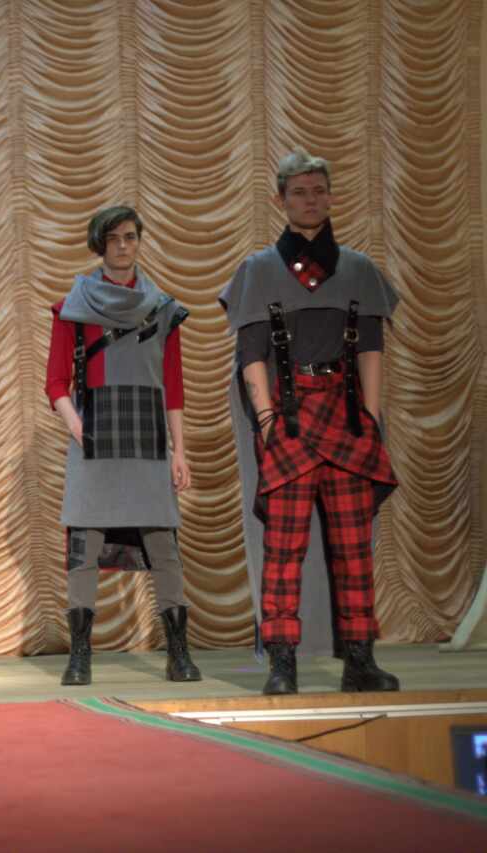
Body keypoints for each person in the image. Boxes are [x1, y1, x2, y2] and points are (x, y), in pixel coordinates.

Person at [220, 149, 400, 695]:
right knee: (283, 549)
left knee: (353, 548)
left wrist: (371, 417)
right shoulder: (258, 270)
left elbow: (370, 347)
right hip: (290, 421)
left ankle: (360, 660)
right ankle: (283, 663)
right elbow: (251, 352)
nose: (310, 200)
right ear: (281, 199)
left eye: (319, 190)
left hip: (346, 420)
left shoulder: (359, 269)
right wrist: (267, 421)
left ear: (330, 196)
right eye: (299, 192)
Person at [46, 205, 201, 686]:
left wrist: (179, 450)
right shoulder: (73, 307)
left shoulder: (163, 308)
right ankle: (80, 655)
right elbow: (55, 381)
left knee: (164, 546)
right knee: (84, 546)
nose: (122, 246)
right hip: (95, 435)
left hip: (147, 435)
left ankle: (178, 652)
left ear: (138, 241)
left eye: (130, 237)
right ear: (100, 244)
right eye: (113, 238)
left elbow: (172, 385)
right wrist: (78, 426)